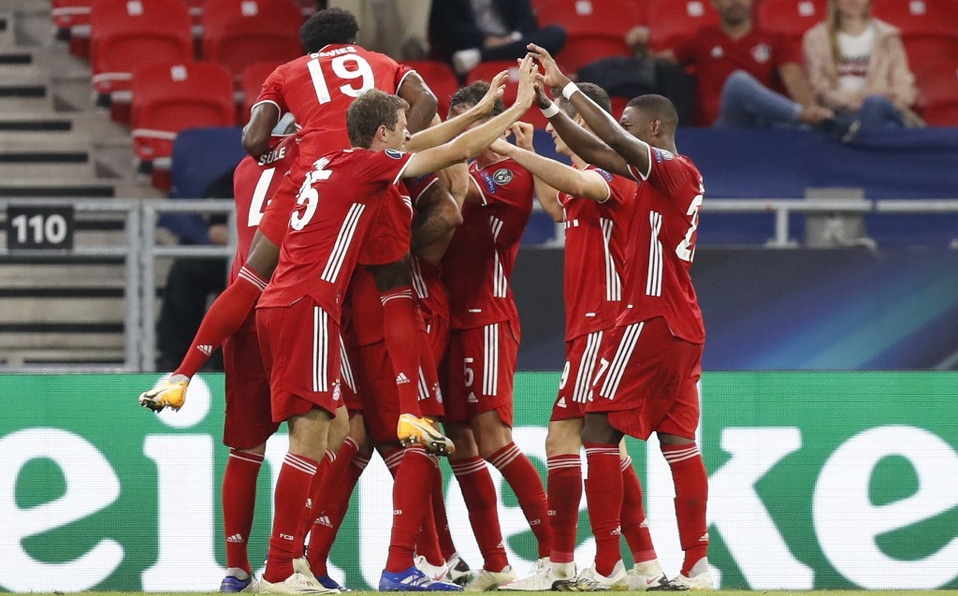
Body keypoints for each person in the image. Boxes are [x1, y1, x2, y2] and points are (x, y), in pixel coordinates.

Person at [252, 59, 538, 593]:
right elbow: (446, 156)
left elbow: (433, 141)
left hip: (323, 308)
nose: (410, 137)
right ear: (383, 135)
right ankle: (324, 568)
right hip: (342, 306)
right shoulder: (371, 168)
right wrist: (515, 110)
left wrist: (478, 111)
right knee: (372, 437)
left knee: (355, 438)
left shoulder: (331, 162)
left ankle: (311, 563)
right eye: (403, 131)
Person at [528, 43, 713, 591]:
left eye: (631, 124)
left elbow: (607, 141)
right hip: (683, 324)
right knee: (679, 443)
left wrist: (563, 88)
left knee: (597, 431)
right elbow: (596, 148)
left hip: (646, 318)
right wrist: (550, 110)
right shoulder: (662, 178)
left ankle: (608, 562)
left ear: (654, 128)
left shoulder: (674, 170)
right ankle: (696, 566)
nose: (622, 130)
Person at [486, 84, 674, 592]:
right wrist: (529, 156)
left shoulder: (611, 170)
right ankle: (645, 563)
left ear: (583, 124)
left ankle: (563, 564)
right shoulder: (587, 178)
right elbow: (558, 203)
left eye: (561, 120)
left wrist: (510, 150)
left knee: (562, 438)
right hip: (590, 326)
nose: (553, 128)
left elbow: (577, 184)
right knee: (609, 448)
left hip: (605, 325)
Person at [438, 81, 551, 591]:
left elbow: (456, 196)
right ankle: (498, 566)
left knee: (492, 437)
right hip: (446, 319)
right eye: (459, 121)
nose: (464, 133)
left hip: (486, 316)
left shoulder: (510, 172)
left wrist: (440, 145)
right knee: (460, 444)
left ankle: (555, 555)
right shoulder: (474, 162)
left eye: (473, 123)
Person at [632, 0, 833, 128]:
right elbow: (662, 63)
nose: (736, 2)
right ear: (715, 4)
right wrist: (640, 48)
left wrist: (812, 109)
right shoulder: (702, 38)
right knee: (738, 82)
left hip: (766, 124)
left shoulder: (774, 39)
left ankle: (806, 120)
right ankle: (801, 117)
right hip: (725, 127)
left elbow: (793, 77)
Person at [802, 0, 920, 134]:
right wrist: (848, 101)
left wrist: (874, 101)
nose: (854, 1)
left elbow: (903, 83)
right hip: (840, 111)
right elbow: (818, 86)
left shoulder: (888, 36)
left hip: (883, 107)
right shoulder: (815, 38)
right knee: (883, 126)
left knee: (874, 106)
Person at [430, 0, 566, 76]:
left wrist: (513, 38)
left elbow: (527, 22)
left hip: (513, 40)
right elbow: (447, 28)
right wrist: (484, 40)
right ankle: (493, 52)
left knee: (556, 33)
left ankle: (481, 56)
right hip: (475, 44)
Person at [327, 0, 432, 60]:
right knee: (348, 36)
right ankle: (343, 45)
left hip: (397, 31)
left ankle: (413, 43)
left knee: (406, 47)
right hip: (358, 36)